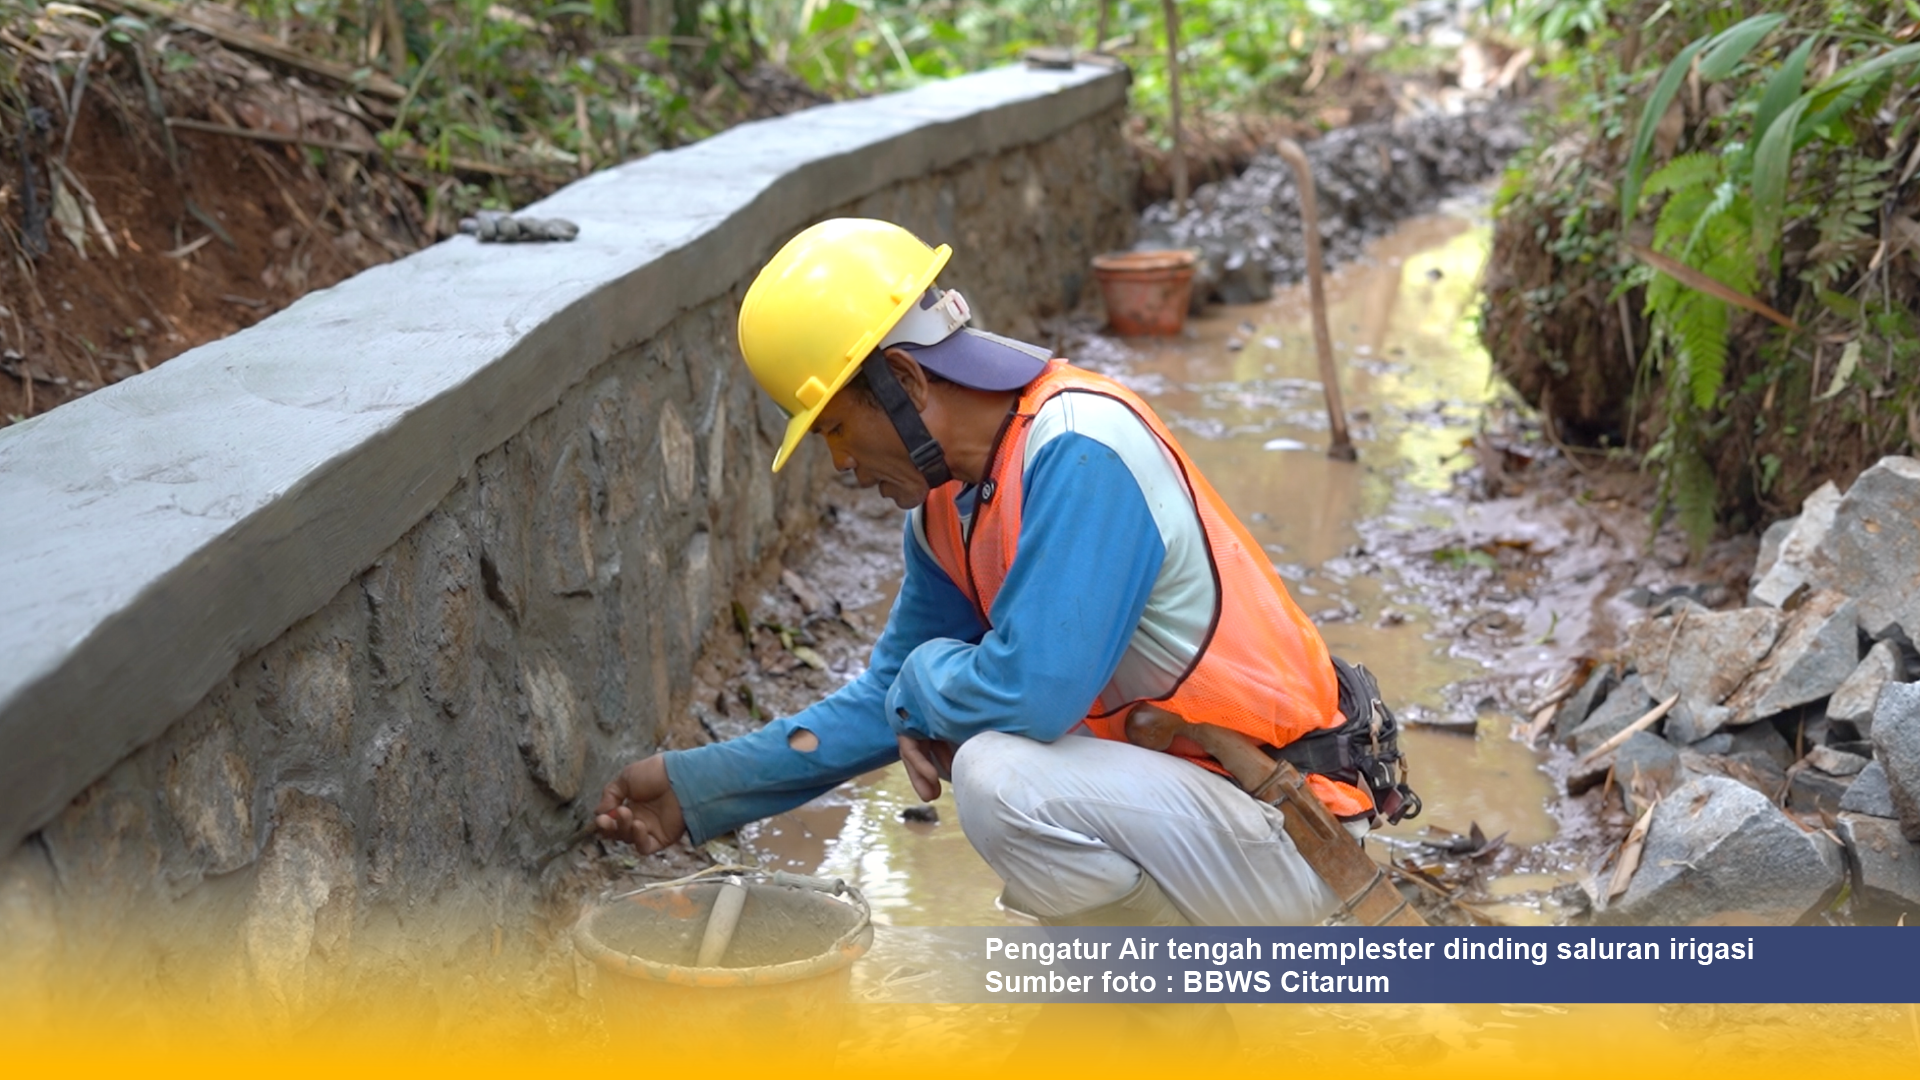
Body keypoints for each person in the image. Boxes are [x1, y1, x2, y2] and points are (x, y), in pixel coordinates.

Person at [593, 218, 1410, 926]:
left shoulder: (1081, 445)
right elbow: (890, 701)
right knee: (1004, 768)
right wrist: (697, 787)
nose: (840, 462)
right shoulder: (947, 509)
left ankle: (1182, 1016)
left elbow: (1031, 692)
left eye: (838, 428)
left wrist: (923, 681)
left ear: (906, 382)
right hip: (1210, 821)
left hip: (1296, 839)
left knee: (999, 777)